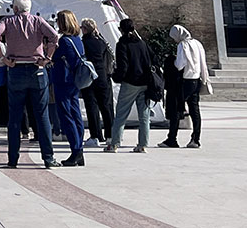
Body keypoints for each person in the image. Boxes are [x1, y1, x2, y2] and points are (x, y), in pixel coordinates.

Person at [0, 0, 61, 168]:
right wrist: (48, 57)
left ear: (15, 8)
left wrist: (3, 57)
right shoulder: (37, 21)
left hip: (16, 69)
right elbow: (54, 37)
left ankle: (13, 158)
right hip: (37, 68)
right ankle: (48, 158)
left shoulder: (7, 22)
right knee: (41, 114)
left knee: (15, 116)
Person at [106, 17, 153, 153]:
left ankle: (114, 143)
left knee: (121, 113)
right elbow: (151, 59)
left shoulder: (122, 44)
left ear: (121, 30)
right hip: (145, 82)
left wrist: (116, 77)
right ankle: (143, 144)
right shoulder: (142, 43)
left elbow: (123, 66)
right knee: (144, 116)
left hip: (130, 82)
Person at [161, 24, 209, 149]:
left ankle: (172, 139)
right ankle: (196, 139)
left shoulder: (183, 45)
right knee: (194, 110)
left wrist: (172, 61)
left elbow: (180, 65)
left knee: (177, 109)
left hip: (185, 81)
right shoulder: (197, 43)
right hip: (196, 80)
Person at [52, 10, 86, 166]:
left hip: (63, 80)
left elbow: (52, 56)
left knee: (66, 116)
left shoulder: (64, 41)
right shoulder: (77, 39)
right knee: (75, 114)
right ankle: (79, 150)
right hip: (74, 81)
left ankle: (76, 150)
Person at [79, 18, 114, 146]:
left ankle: (95, 136)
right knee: (105, 106)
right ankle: (110, 135)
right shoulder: (101, 42)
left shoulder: (84, 43)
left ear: (85, 29)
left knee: (92, 106)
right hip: (102, 76)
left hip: (89, 76)